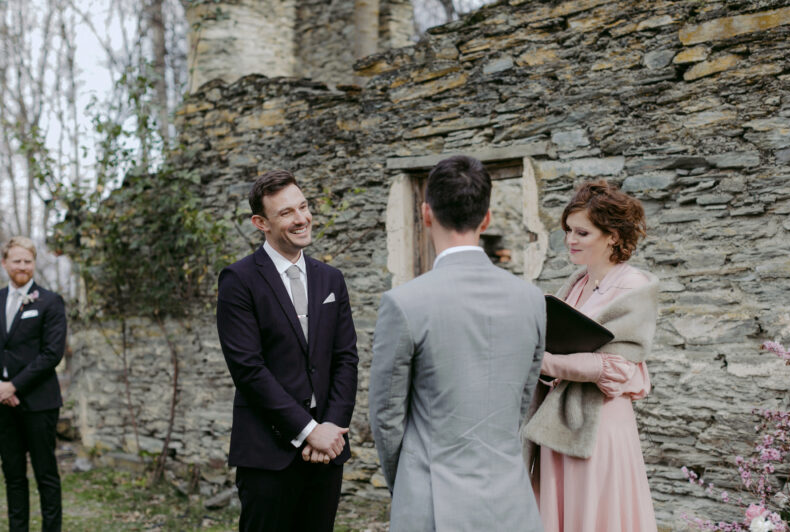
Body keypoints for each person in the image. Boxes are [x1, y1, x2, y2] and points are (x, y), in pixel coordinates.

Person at [370, 155, 547, 532]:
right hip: (510, 501)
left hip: (431, 501)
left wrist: (405, 486)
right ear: (486, 219)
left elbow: (386, 420)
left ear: (426, 213)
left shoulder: (404, 303)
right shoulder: (531, 300)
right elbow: (519, 404)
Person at [216, 170, 359, 532]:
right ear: (260, 223)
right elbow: (248, 369)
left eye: (304, 207)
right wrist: (308, 430)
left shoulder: (331, 279)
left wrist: (331, 428)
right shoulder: (239, 280)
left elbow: (345, 358)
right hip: (268, 451)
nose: (302, 219)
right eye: (287, 213)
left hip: (327, 450)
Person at [522, 180, 658, 531]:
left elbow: (614, 366)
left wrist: (538, 359)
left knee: (596, 514)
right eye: (568, 230)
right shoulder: (577, 282)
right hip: (560, 421)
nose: (570, 240)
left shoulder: (633, 285)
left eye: (582, 232)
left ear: (612, 235)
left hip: (598, 424)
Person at [0, 236, 67, 532]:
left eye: (28, 261)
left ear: (34, 264)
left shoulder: (50, 301)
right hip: (2, 405)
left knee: (46, 476)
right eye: (17, 260)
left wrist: (13, 386)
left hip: (39, 403)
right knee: (13, 476)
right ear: (5, 263)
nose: (22, 266)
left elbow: (52, 353)